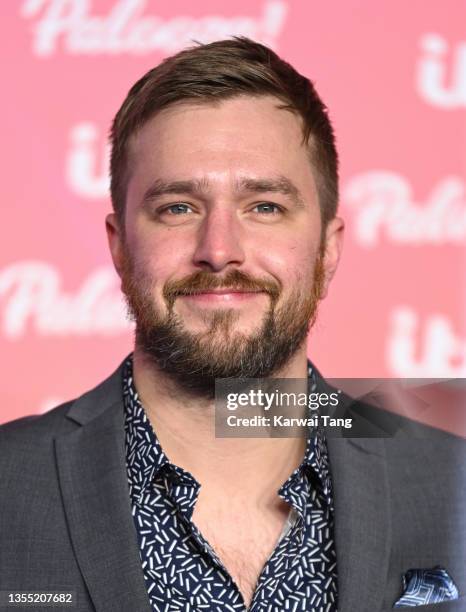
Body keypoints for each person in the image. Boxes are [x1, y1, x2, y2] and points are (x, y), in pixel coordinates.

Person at [0, 37, 465, 612]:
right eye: (178, 207)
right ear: (120, 248)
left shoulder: (454, 484)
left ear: (326, 248)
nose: (219, 251)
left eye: (265, 206)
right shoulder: (8, 486)